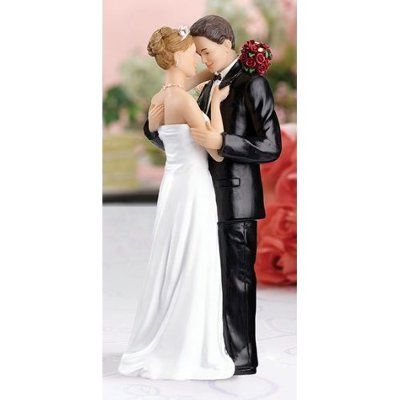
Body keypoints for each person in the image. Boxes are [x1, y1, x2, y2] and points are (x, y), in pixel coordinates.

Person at [144, 15, 282, 375]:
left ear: (226, 44)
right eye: (197, 53)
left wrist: (224, 141)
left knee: (237, 279)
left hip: (236, 199)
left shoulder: (252, 84)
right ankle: (212, 349)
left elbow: (271, 146)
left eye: (205, 51)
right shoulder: (208, 88)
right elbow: (186, 144)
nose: (202, 59)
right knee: (207, 277)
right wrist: (154, 128)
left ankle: (241, 357)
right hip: (201, 196)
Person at [118, 25, 235, 380]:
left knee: (174, 255)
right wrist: (216, 105)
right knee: (194, 256)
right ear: (177, 56)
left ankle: (167, 329)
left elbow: (184, 86)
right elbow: (216, 149)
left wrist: (213, 72)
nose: (197, 57)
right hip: (193, 186)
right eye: (191, 52)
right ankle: (185, 343)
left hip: (173, 186)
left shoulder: (161, 98)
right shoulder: (184, 101)